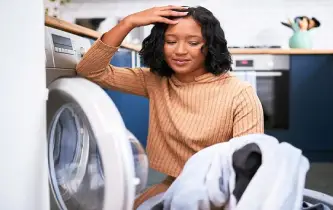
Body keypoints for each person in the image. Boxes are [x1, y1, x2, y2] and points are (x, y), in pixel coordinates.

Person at [76, 5, 264, 209]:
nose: (180, 51)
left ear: (209, 46)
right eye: (171, 41)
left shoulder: (239, 93)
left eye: (193, 43)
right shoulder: (155, 81)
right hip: (174, 183)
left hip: (224, 193)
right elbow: (90, 70)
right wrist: (128, 22)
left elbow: (248, 169)